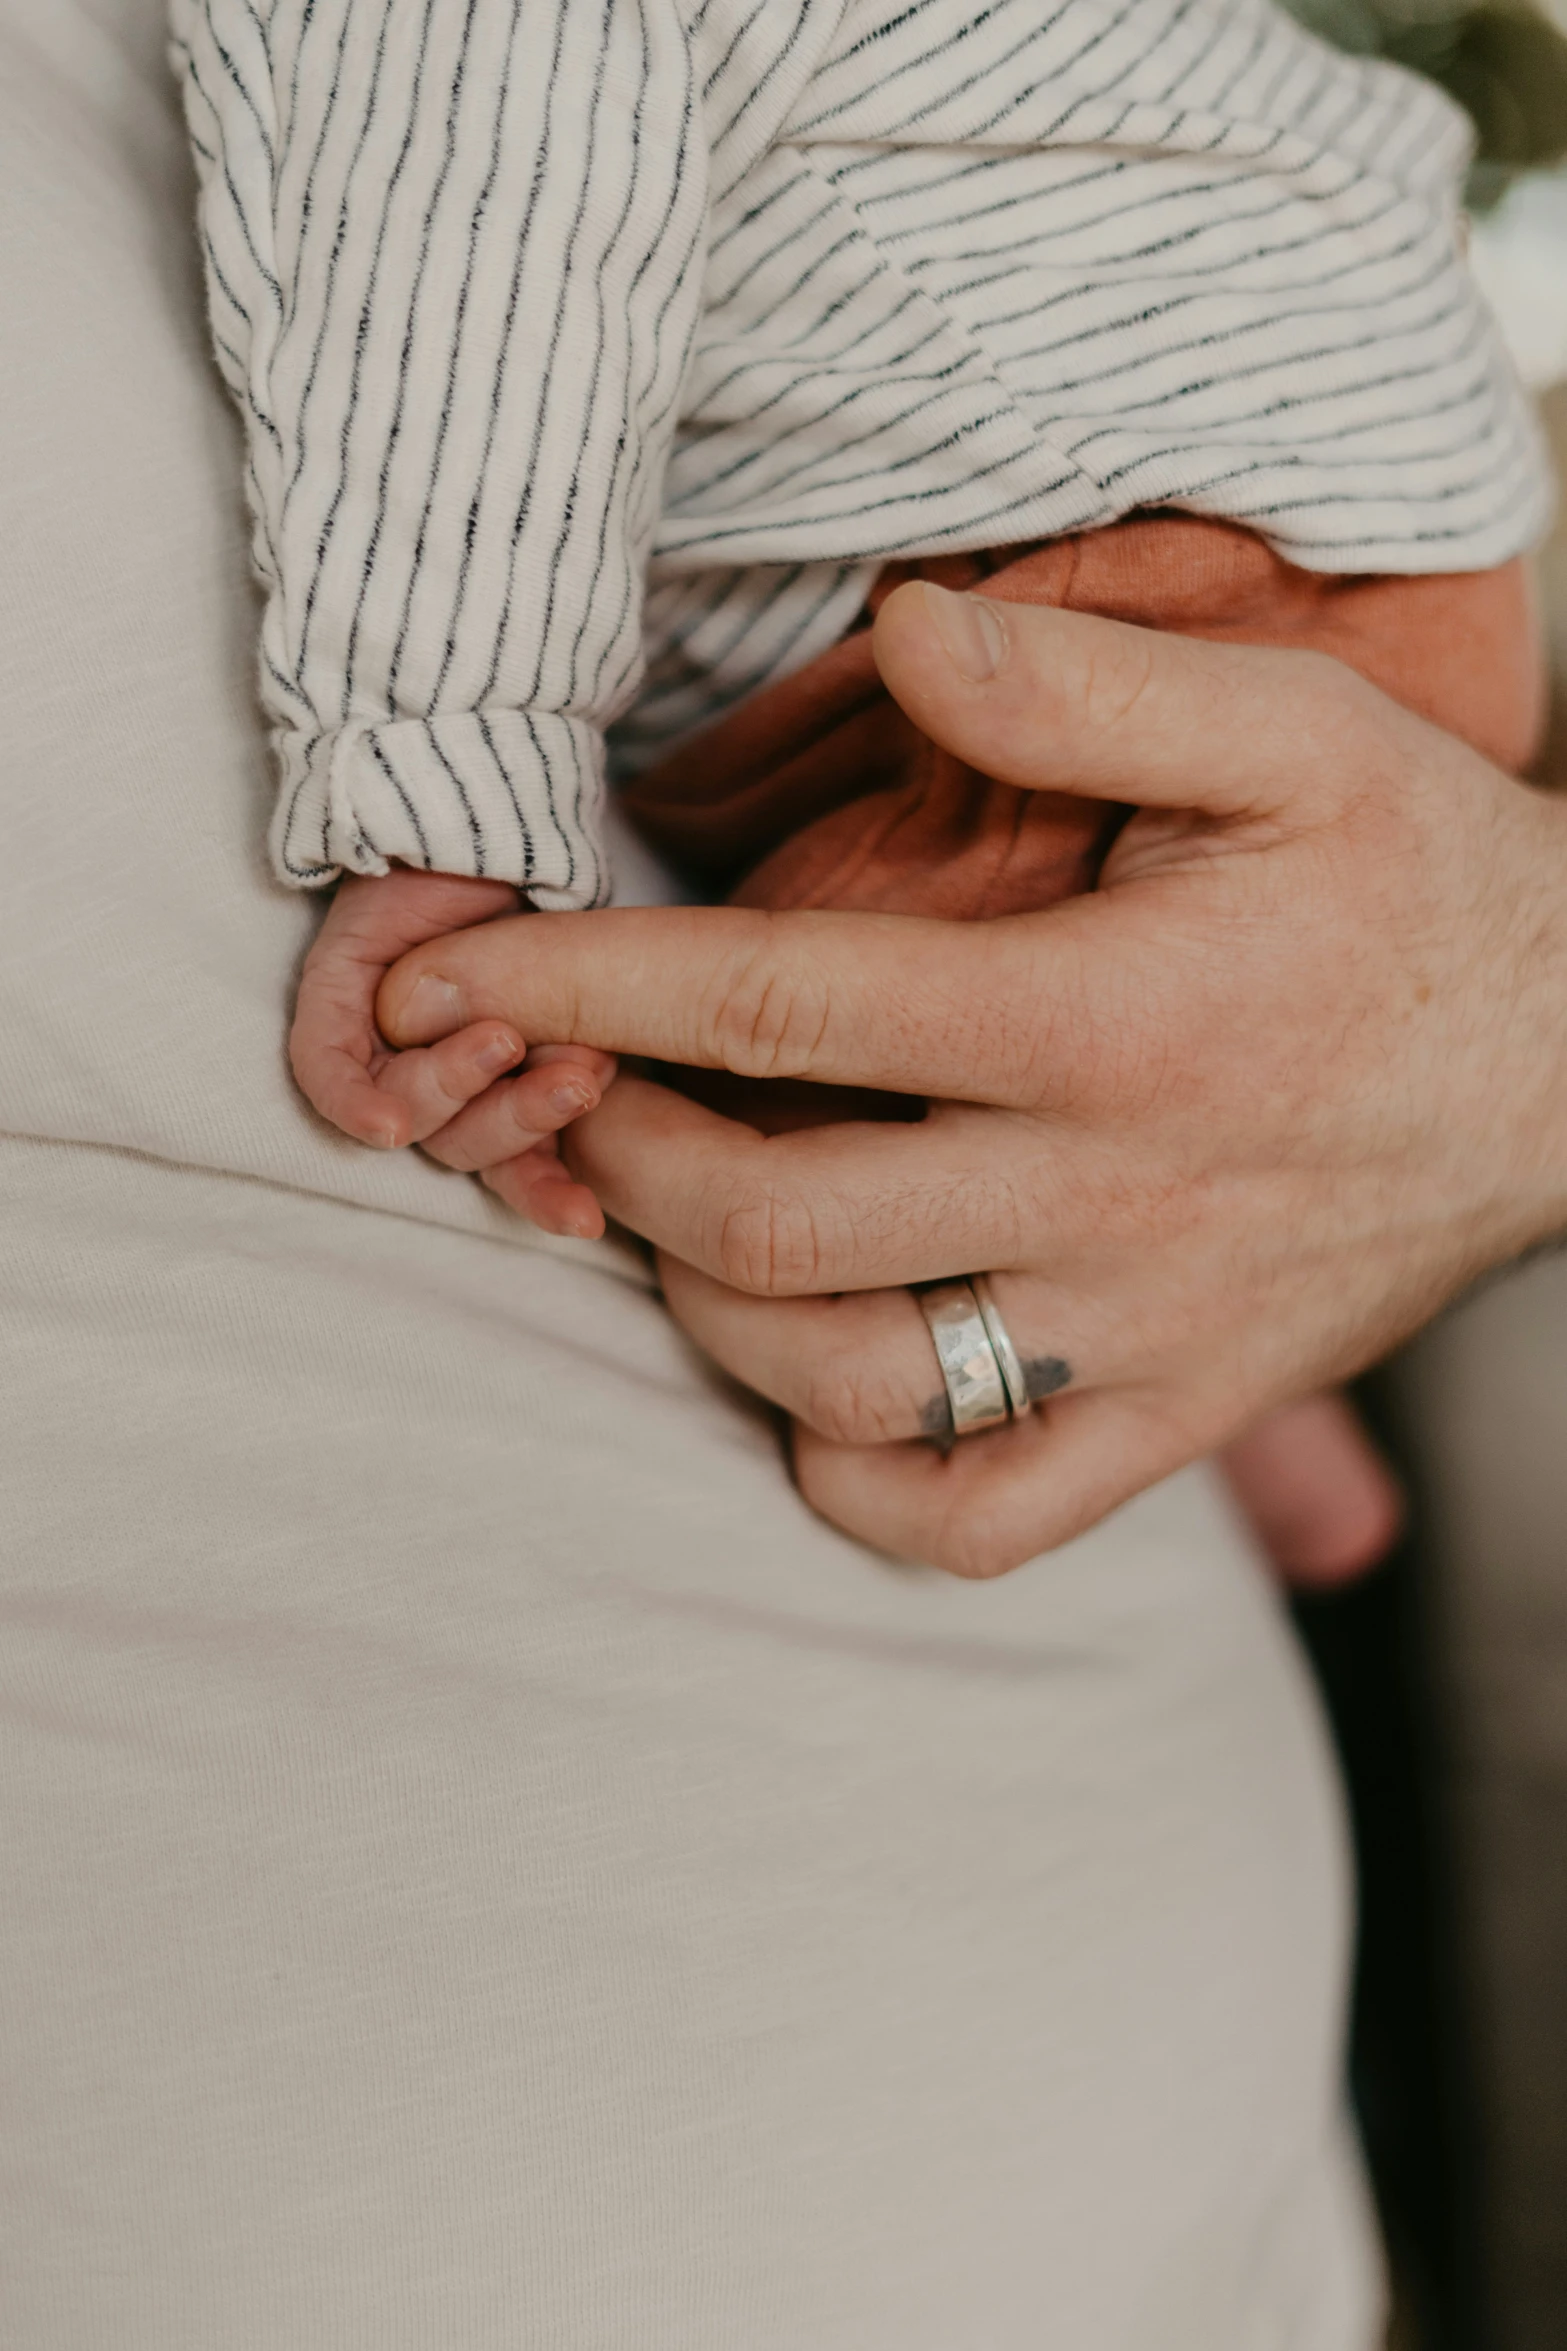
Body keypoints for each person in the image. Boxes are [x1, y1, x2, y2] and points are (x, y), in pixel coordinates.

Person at [176, 0, 1550, 1585]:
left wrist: (443, 764)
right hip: (1373, 529)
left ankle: (1266, 1448)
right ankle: (1291, 1444)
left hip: (1115, 588)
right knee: (1142, 1145)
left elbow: (464, 243)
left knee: (858, 1158)